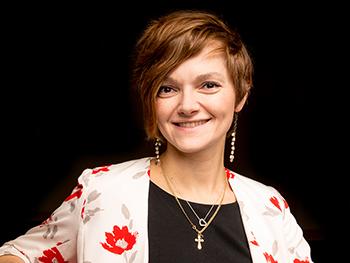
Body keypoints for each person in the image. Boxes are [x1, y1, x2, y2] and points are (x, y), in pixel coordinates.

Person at [0, 9, 313, 263]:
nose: (187, 106)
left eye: (208, 85)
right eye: (168, 88)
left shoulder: (270, 207)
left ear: (240, 95)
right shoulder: (101, 190)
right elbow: (15, 255)